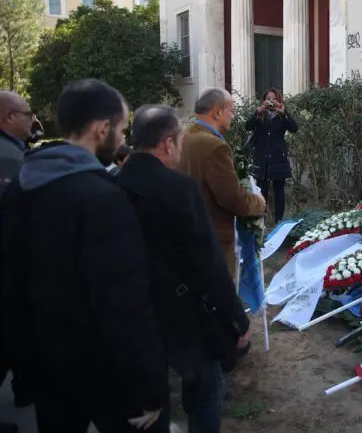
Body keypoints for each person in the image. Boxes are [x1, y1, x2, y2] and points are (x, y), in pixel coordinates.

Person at [0, 79, 169, 433]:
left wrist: (25, 368)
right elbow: (125, 303)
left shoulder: (21, 186)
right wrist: (152, 387)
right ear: (101, 128)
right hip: (104, 373)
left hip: (45, 368)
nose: (123, 140)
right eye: (121, 129)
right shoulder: (103, 198)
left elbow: (10, 285)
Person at [117, 105, 252, 433]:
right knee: (205, 391)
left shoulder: (112, 185)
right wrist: (237, 319)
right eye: (178, 141)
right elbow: (207, 261)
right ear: (167, 143)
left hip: (130, 311)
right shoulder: (178, 188)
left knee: (150, 401)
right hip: (182, 313)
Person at [179, 88, 266, 286]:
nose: (233, 116)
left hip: (187, 235)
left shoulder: (184, 137)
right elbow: (232, 198)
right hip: (213, 242)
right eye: (231, 111)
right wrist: (259, 203)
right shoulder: (214, 146)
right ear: (217, 112)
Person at [0, 91, 35, 433]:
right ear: (9, 117)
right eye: (27, 113)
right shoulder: (8, 157)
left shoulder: (13, 151)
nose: (32, 119)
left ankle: (27, 387)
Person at [245, 88, 298, 223]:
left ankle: (278, 220)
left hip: (277, 158)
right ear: (264, 100)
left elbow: (294, 128)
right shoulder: (260, 116)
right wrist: (257, 112)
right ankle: (261, 221)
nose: (271, 101)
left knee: (279, 191)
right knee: (262, 191)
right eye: (268, 98)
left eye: (273, 98)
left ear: (278, 100)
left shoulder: (281, 116)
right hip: (262, 159)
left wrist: (284, 112)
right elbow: (247, 126)